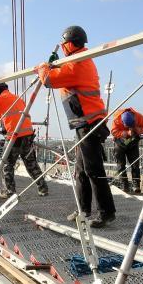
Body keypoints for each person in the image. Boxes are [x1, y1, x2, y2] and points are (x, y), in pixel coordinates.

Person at [36, 25, 116, 228]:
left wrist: (44, 67)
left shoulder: (78, 63)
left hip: (89, 123)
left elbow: (48, 80)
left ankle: (106, 213)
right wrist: (56, 66)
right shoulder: (77, 61)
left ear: (70, 44)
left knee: (93, 169)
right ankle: (84, 210)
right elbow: (62, 76)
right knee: (81, 171)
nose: (63, 47)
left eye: (64, 44)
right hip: (84, 123)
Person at [112, 108, 143, 193]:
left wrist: (138, 130)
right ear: (122, 121)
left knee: (135, 164)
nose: (129, 127)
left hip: (133, 142)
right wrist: (125, 133)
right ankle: (124, 185)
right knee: (121, 165)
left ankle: (136, 185)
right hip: (120, 142)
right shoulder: (116, 119)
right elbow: (113, 131)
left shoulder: (140, 118)